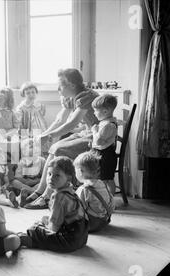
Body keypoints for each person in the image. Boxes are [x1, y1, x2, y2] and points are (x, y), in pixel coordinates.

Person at [25, 68, 100, 209]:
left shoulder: (86, 96)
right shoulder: (71, 97)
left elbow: (72, 123)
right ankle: (40, 192)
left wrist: (48, 136)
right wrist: (42, 136)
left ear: (71, 85)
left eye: (60, 85)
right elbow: (60, 120)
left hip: (97, 137)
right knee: (55, 147)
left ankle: (46, 196)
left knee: (59, 149)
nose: (58, 89)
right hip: (85, 133)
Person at [21, 157, 89, 252]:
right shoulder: (72, 191)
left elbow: (54, 227)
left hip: (68, 240)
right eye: (49, 174)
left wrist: (43, 227)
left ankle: (21, 240)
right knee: (44, 220)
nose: (51, 178)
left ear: (68, 178)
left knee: (34, 229)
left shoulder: (59, 197)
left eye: (57, 175)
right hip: (82, 238)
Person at [74, 151, 114, 232]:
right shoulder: (103, 184)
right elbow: (112, 202)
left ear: (80, 171)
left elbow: (79, 209)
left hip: (92, 224)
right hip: (105, 220)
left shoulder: (83, 189)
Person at [91, 94, 119, 195]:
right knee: (103, 178)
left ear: (105, 111)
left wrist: (94, 131)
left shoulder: (108, 125)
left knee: (107, 178)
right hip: (101, 153)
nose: (94, 113)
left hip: (106, 155)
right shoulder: (105, 122)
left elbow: (99, 141)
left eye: (95, 110)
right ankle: (103, 198)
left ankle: (110, 199)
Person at [16, 81, 52, 153]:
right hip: (28, 128)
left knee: (42, 140)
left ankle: (43, 155)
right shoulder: (22, 107)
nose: (31, 95)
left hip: (40, 127)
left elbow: (42, 115)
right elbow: (19, 119)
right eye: (28, 93)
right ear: (24, 94)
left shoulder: (39, 105)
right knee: (30, 144)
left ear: (36, 93)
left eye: (33, 92)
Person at [11, 138, 46, 207]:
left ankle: (29, 195)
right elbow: (18, 178)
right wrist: (27, 182)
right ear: (24, 151)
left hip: (37, 185)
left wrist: (35, 181)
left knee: (45, 183)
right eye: (31, 147)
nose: (35, 148)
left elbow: (44, 176)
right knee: (14, 182)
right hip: (25, 185)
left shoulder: (42, 161)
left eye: (36, 146)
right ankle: (31, 194)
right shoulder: (21, 162)